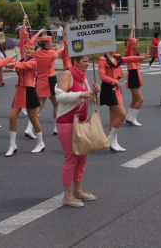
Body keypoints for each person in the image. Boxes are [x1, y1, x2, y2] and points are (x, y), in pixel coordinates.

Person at [55, 54, 100, 208]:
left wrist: (94, 93)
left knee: (82, 157)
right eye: (85, 61)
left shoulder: (83, 76)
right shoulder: (67, 74)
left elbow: (89, 101)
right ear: (75, 61)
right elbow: (59, 96)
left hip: (81, 121)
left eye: (88, 61)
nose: (88, 64)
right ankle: (68, 195)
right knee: (71, 158)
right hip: (66, 121)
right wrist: (81, 94)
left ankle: (78, 191)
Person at [5, 23, 43, 156]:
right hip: (20, 90)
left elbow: (23, 65)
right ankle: (12, 145)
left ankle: (40, 143)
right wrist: (24, 23)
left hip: (29, 90)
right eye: (26, 48)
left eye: (30, 49)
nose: (27, 50)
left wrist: (12, 63)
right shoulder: (23, 57)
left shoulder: (33, 62)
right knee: (12, 117)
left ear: (34, 52)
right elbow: (22, 39)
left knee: (33, 119)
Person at [98, 48, 144, 152]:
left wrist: (141, 57)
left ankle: (113, 141)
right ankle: (111, 138)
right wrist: (113, 81)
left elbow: (128, 59)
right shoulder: (102, 60)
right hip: (109, 89)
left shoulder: (116, 57)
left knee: (113, 117)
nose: (114, 47)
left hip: (116, 88)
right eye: (112, 45)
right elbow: (102, 76)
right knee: (122, 114)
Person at [25, 33, 63, 138]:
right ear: (46, 44)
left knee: (39, 106)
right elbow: (57, 53)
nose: (51, 44)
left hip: (40, 80)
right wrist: (62, 47)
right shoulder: (51, 53)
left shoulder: (36, 54)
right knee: (56, 103)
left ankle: (29, 128)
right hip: (50, 79)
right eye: (50, 42)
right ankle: (56, 127)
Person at [124, 26, 148, 126]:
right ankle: (133, 118)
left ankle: (129, 117)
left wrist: (145, 56)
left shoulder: (134, 53)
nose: (136, 45)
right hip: (133, 75)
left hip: (135, 75)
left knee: (135, 99)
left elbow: (139, 58)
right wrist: (132, 30)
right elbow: (129, 41)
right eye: (134, 43)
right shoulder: (129, 52)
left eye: (136, 43)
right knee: (140, 99)